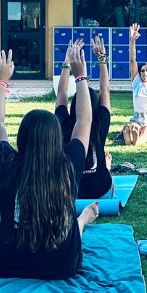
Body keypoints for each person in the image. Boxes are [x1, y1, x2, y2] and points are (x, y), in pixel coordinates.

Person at [0, 47, 99, 279]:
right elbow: (85, 120)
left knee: (71, 230)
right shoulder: (69, 164)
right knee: (72, 231)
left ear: (21, 138)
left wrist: (1, 82)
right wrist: (81, 77)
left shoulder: (6, 163)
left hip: (10, 263)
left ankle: (82, 219)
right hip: (61, 265)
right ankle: (83, 219)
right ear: (58, 138)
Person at [55, 36, 113, 199]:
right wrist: (102, 58)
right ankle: (106, 165)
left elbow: (61, 93)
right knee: (104, 164)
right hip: (100, 190)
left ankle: (105, 165)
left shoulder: (63, 122)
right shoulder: (101, 123)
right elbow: (105, 90)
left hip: (69, 191)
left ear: (73, 107)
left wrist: (67, 63)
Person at [121, 24, 147, 145]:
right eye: (142, 71)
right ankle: (132, 134)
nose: (145, 73)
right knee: (132, 128)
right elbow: (132, 60)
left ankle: (135, 139)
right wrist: (132, 40)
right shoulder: (137, 83)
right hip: (137, 118)